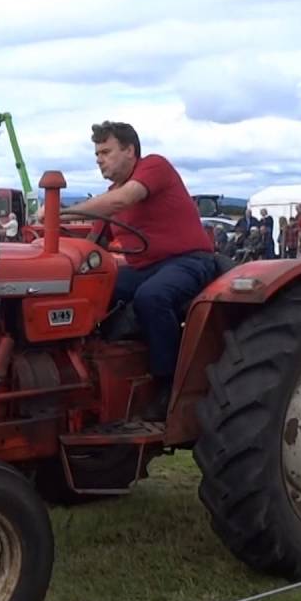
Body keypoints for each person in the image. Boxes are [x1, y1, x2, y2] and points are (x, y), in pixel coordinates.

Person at [61, 120, 217, 421]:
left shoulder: (153, 168)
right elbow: (93, 243)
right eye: (96, 154)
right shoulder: (111, 193)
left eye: (106, 151)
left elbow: (124, 199)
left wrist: (61, 209)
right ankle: (91, 367)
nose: (99, 160)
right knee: (92, 289)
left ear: (130, 150)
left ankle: (167, 385)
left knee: (152, 297)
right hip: (145, 266)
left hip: (189, 260)